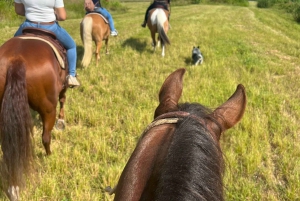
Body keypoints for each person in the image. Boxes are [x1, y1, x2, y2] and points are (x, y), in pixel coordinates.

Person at [14, 0, 80, 87]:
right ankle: (71, 75)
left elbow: (19, 11)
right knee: (71, 46)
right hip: (50, 27)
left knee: (12, 45)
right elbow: (62, 16)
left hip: (28, 25)